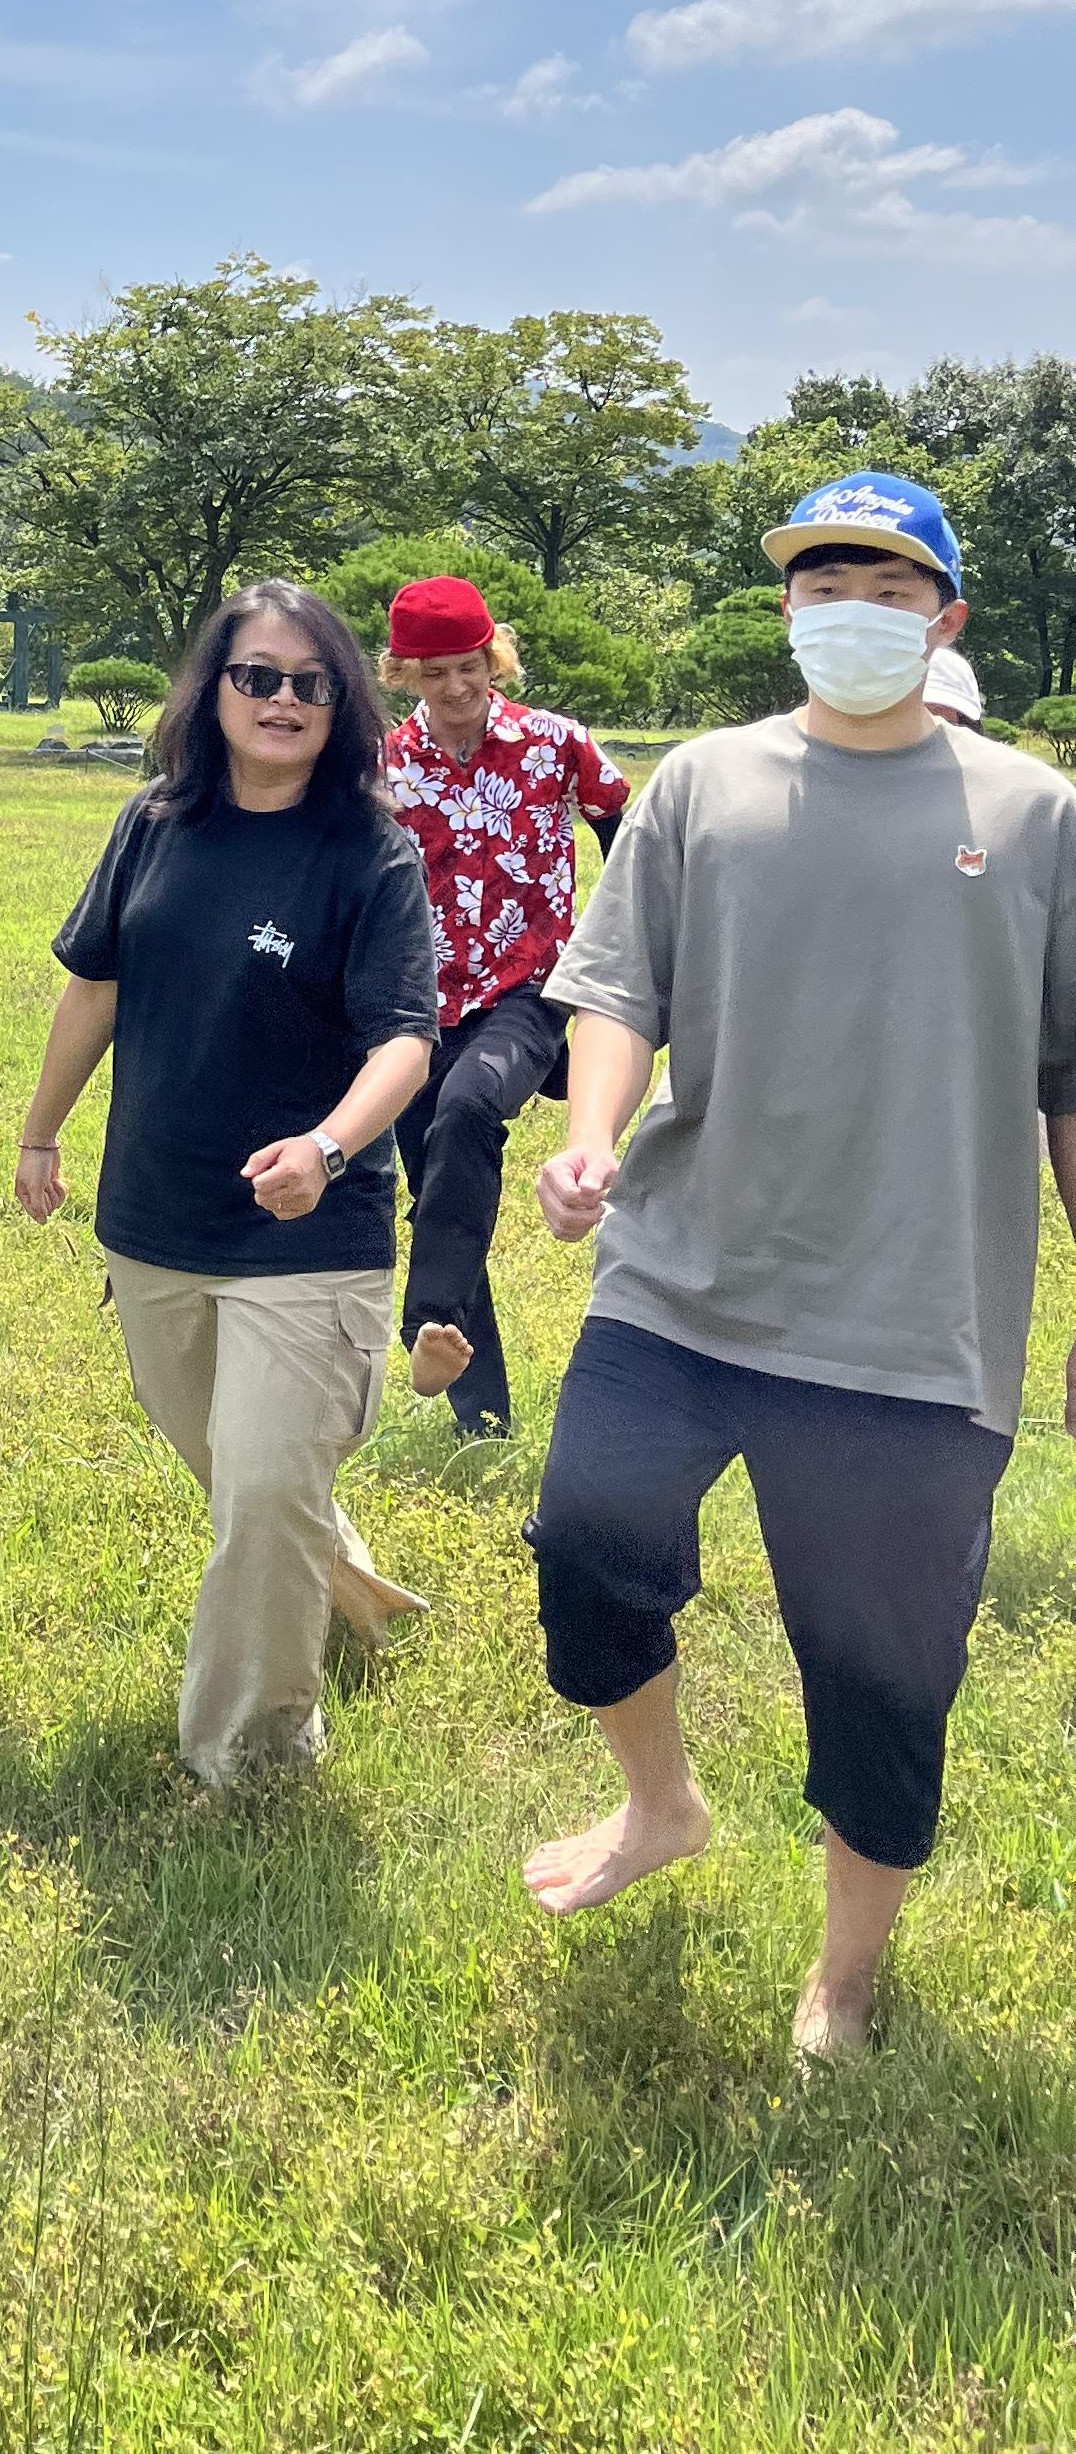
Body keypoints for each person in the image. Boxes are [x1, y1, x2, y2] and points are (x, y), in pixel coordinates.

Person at [519, 470, 1076, 2060]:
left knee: (883, 1672)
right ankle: (659, 1806)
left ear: (945, 621)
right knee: (587, 1546)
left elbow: (1071, 1080)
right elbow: (617, 991)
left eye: (890, 591)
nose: (855, 613)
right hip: (686, 1272)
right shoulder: (704, 783)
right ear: (786, 609)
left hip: (916, 1318)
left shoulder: (1036, 817)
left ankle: (844, 1974)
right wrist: (591, 1136)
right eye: (826, 586)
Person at [17, 581, 439, 1788]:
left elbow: (405, 1041)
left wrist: (329, 1147)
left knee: (260, 1489)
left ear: (344, 704)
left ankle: (251, 1757)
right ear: (214, 691)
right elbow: (95, 982)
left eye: (312, 683)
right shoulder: (155, 821)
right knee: (238, 1468)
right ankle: (351, 1595)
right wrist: (41, 1131)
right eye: (258, 676)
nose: (282, 700)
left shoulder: (370, 851)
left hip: (312, 1232)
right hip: (155, 1214)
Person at [380, 575, 629, 1431]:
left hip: (528, 987)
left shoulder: (556, 744)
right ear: (406, 675)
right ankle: (480, 1418)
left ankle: (424, 1317)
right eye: (434, 672)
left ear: (496, 661)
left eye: (470, 667)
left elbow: (626, 833)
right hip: (415, 999)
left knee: (468, 1110)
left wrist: (622, 947)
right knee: (440, 1187)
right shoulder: (384, 767)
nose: (456, 687)